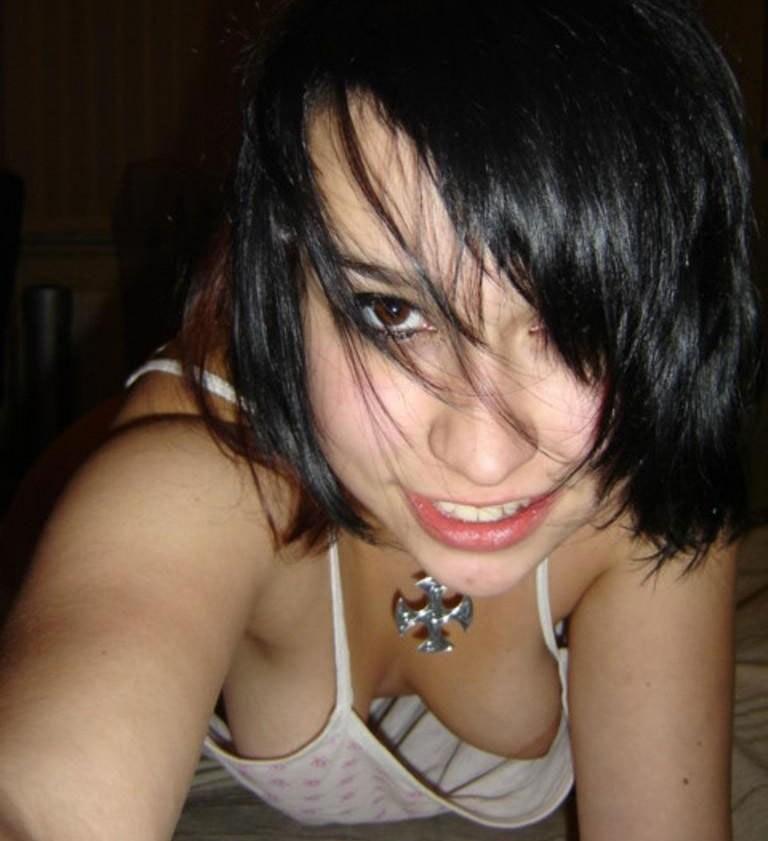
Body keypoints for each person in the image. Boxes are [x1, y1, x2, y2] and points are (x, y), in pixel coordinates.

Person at [0, 0, 763, 838]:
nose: (481, 456)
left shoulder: (645, 466)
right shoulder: (200, 474)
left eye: (572, 321)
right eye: (392, 312)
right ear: (286, 272)